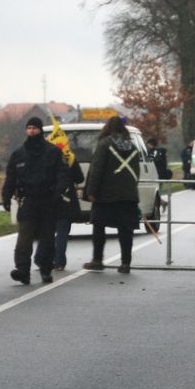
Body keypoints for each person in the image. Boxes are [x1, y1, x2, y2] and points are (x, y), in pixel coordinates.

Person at [2, 117, 68, 285]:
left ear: (40, 130)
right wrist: (6, 196)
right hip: (28, 200)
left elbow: (62, 175)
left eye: (35, 128)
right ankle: (23, 270)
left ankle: (46, 269)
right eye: (29, 128)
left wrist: (57, 193)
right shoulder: (19, 154)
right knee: (24, 238)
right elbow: (11, 177)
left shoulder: (52, 152)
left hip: (48, 200)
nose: (31, 131)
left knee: (47, 238)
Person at [83, 116, 140, 274]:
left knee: (99, 226)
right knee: (126, 229)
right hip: (128, 195)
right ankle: (125, 263)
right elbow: (136, 171)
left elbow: (97, 169)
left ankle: (97, 259)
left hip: (106, 194)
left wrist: (91, 191)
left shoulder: (104, 144)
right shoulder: (133, 146)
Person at [52, 159, 84, 271]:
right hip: (65, 201)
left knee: (47, 232)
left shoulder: (44, 156)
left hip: (48, 200)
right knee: (62, 232)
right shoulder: (69, 159)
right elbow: (80, 178)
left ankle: (45, 259)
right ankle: (59, 261)